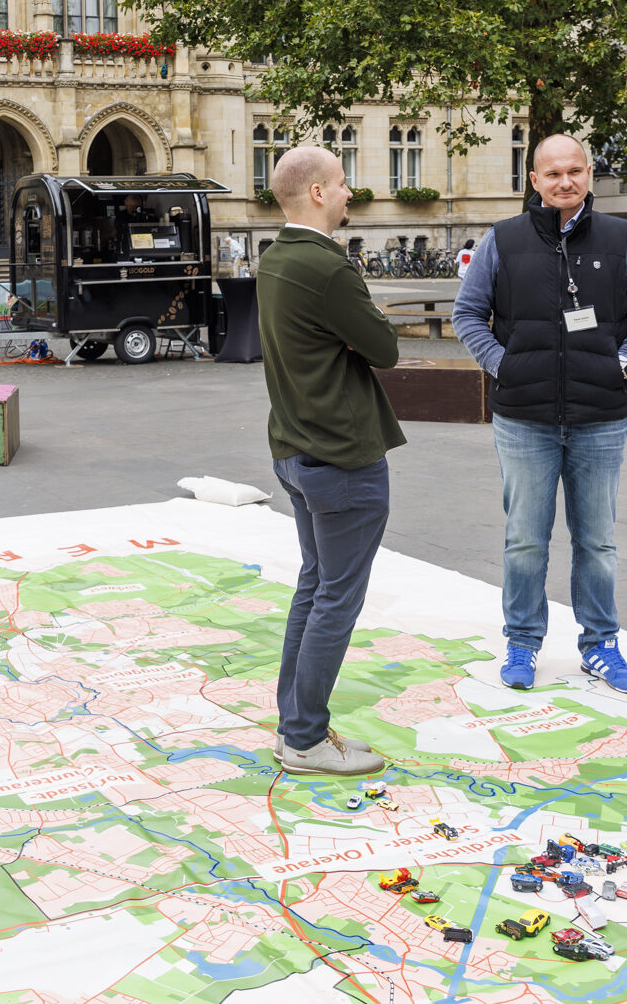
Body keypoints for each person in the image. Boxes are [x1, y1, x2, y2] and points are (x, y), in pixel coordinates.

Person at [452, 134, 627, 694]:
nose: (564, 181)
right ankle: (522, 643)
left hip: (600, 417)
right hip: (523, 419)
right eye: (552, 173)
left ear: (590, 174)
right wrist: (504, 367)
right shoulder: (502, 240)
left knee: (596, 540)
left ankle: (600, 645)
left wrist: (625, 363)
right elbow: (468, 313)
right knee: (525, 538)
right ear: (534, 180)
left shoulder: (623, 238)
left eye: (575, 170)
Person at [255, 146, 403, 779]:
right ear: (316, 193)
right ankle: (305, 738)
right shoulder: (327, 268)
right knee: (335, 597)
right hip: (340, 455)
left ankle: (298, 726)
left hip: (295, 446)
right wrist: (363, 322)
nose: (350, 193)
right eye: (342, 183)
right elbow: (385, 348)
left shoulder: (274, 260)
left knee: (314, 587)